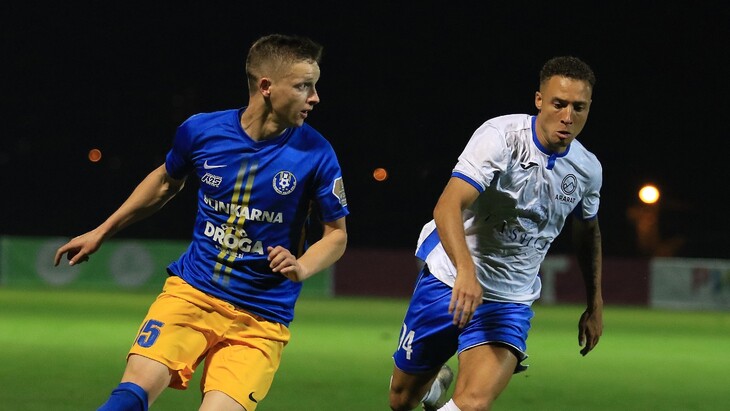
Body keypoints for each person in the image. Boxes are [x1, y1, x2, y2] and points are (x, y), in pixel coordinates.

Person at [54, 33, 349, 411]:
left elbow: (336, 235)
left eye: (314, 86)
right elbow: (165, 182)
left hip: (261, 319)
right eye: (303, 86)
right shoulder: (202, 131)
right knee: (128, 399)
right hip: (191, 293)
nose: (315, 97)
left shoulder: (318, 154)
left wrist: (302, 266)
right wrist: (101, 231)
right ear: (266, 87)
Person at [388, 56, 603, 411]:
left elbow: (588, 232)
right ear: (539, 100)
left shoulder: (587, 169)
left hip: (509, 300)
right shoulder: (501, 137)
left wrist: (595, 303)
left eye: (578, 107)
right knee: (401, 400)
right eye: (558, 104)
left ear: (589, 108)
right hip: (449, 281)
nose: (568, 116)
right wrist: (466, 271)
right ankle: (433, 386)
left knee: (473, 404)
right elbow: (447, 206)